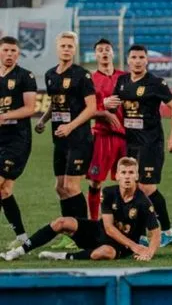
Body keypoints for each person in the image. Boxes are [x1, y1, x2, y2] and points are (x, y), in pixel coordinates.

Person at [1, 157, 160, 261]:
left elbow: (155, 232)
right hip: (99, 232)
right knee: (62, 222)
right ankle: (18, 251)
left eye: (131, 173)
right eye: (123, 172)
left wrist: (149, 252)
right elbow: (108, 228)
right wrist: (136, 247)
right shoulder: (109, 192)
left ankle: (63, 256)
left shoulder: (143, 202)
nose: (127, 176)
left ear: (137, 176)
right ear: (117, 175)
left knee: (104, 253)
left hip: (120, 246)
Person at [106, 45, 172, 247]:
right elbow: (112, 105)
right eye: (134, 57)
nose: (137, 61)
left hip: (151, 143)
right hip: (130, 143)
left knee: (146, 188)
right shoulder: (122, 82)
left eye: (141, 57)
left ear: (146, 60)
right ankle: (140, 233)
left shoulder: (156, 83)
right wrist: (105, 104)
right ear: (128, 60)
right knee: (134, 187)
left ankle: (167, 232)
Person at [35, 31, 96, 250]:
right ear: (57, 48)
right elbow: (55, 103)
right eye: (63, 45)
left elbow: (92, 108)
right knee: (60, 187)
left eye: (70, 46)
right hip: (59, 139)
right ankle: (70, 233)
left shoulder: (82, 75)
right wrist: (43, 120)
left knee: (71, 186)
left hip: (79, 139)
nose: (67, 49)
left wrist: (70, 126)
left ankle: (85, 234)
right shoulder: (51, 74)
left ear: (75, 48)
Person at [0, 37, 37, 248]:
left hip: (17, 140)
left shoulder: (25, 76)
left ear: (18, 53)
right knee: (5, 191)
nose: (9, 54)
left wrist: (5, 116)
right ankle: (23, 238)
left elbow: (30, 108)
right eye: (6, 50)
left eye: (14, 51)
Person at [86, 39, 127, 221]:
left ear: (113, 53)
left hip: (126, 136)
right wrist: (103, 105)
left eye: (107, 49)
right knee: (95, 182)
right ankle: (94, 222)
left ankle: (127, 221)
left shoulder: (125, 77)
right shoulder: (90, 80)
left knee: (128, 180)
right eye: (100, 50)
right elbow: (84, 109)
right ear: (95, 55)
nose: (104, 52)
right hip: (102, 135)